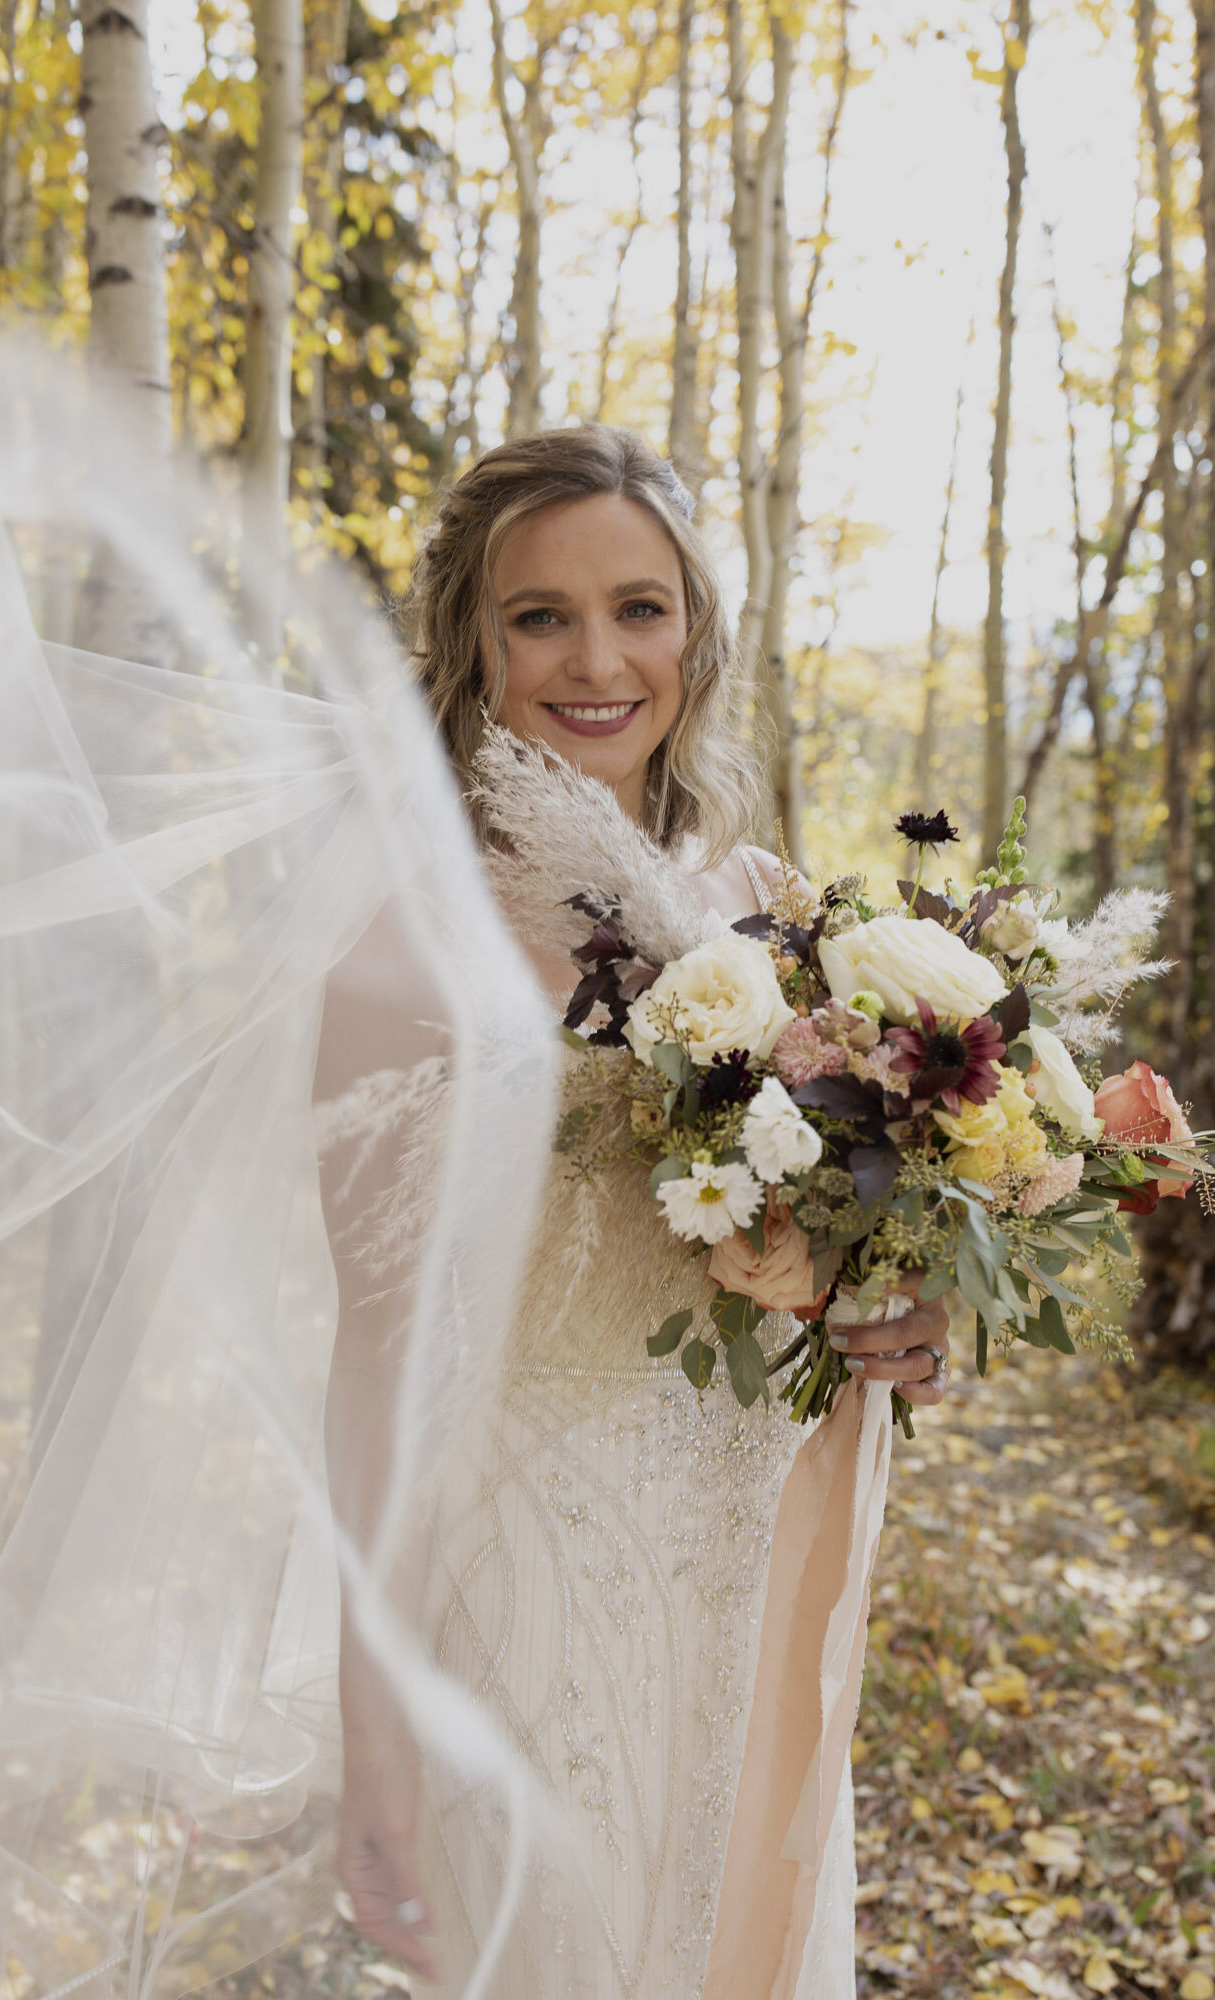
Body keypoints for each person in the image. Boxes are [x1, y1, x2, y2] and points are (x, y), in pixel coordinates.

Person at [319, 424, 954, 1998]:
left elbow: (832, 1248)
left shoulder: (770, 908)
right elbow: (372, 1377)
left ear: (697, 632)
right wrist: (378, 1745)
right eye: (539, 615)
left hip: (757, 1574)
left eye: (640, 608)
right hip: (524, 1592)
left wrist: (900, 1319)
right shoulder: (403, 945)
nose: (595, 658)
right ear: (470, 638)